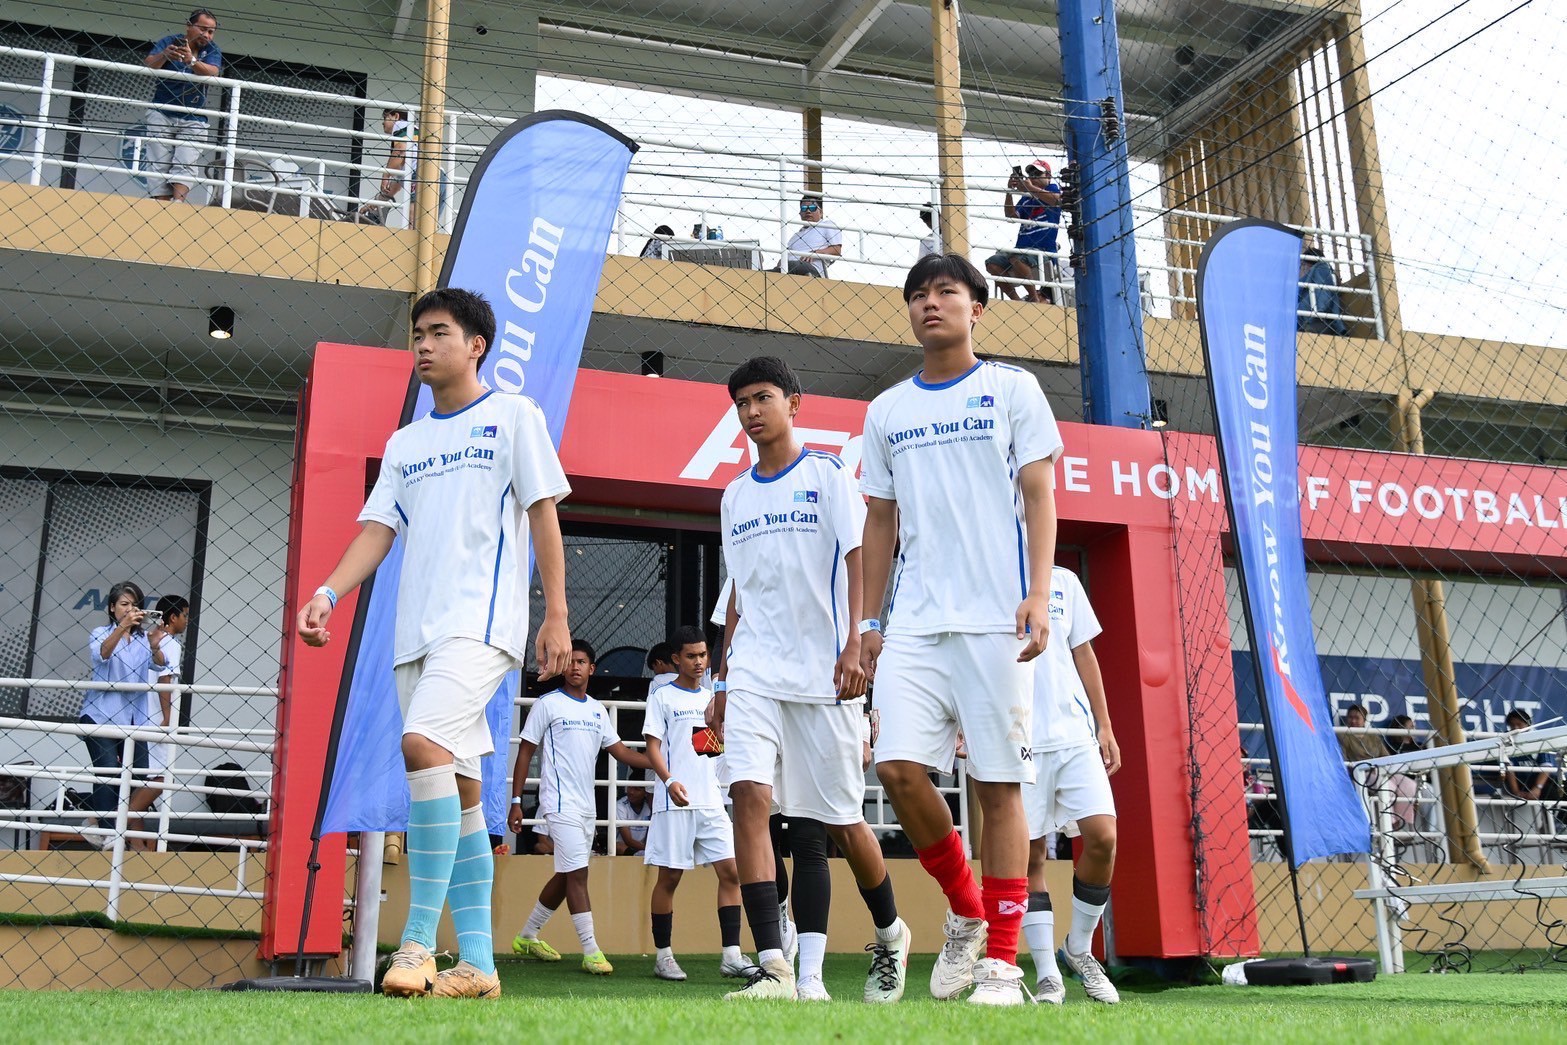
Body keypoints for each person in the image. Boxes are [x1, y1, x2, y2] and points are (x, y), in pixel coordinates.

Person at [296, 286, 572, 1001]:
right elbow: (377, 530)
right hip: (414, 636)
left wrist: (556, 614)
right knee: (463, 788)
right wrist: (327, 592)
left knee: (420, 744)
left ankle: (417, 943)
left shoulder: (514, 415)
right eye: (416, 334)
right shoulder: (406, 442)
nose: (422, 344)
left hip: (481, 627)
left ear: (476, 345)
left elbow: (543, 512)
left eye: (438, 332)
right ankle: (478, 964)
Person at [860, 252, 1063, 1006]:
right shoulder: (886, 410)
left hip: (994, 620)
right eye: (917, 295)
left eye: (945, 291)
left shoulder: (1012, 388)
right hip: (913, 623)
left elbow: (1038, 495)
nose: (930, 303)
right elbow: (879, 520)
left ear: (976, 307)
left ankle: (1003, 967)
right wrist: (868, 620)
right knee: (895, 769)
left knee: (997, 786)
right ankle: (967, 910)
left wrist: (1037, 594)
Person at [710, 355, 912, 1004]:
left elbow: (859, 555)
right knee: (748, 795)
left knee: (838, 824)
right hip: (754, 673)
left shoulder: (826, 475)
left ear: (793, 403)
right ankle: (777, 967)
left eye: (762, 398)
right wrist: (722, 678)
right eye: (741, 403)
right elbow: (737, 590)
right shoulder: (734, 495)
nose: (751, 412)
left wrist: (856, 640)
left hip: (825, 675)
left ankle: (891, 930)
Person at [508, 640, 650, 974]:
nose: (575, 667)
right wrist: (516, 801)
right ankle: (591, 951)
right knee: (578, 874)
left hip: (586, 808)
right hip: (558, 805)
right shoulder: (547, 704)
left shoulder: (597, 710)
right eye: (571, 661)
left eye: (582, 662)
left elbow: (620, 752)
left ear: (591, 668)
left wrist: (660, 765)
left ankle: (526, 936)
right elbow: (525, 753)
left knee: (567, 873)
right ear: (563, 666)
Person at [1019, 567, 1120, 1005]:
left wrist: (1104, 724)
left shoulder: (1065, 581)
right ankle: (1047, 975)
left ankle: (1078, 949)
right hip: (1018, 737)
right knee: (1030, 856)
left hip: (1075, 736)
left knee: (1103, 837)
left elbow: (1084, 653)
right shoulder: (991, 569)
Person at [643, 625, 750, 982]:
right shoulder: (662, 697)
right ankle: (663, 956)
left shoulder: (710, 699)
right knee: (670, 878)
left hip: (711, 803)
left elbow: (707, 750)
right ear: (676, 659)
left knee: (732, 872)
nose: (699, 661)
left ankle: (731, 956)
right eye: (691, 656)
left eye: (703, 654)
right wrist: (670, 781)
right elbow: (652, 748)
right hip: (675, 802)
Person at [84, 581, 165, 846]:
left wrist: (155, 645)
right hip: (101, 714)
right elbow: (102, 654)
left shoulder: (142, 639)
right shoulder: (101, 633)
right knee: (108, 770)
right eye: (124, 604)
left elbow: (160, 665)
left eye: (135, 605)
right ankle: (108, 831)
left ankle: (95, 820)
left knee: (139, 774)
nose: (130, 609)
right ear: (112, 608)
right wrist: (122, 627)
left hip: (134, 719)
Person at [127, 594, 191, 850]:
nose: (187, 620)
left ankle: (136, 843)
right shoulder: (170, 643)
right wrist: (167, 716)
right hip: (157, 720)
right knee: (162, 778)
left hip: (141, 718)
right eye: (185, 615)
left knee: (145, 780)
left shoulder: (147, 638)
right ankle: (114, 821)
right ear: (173, 617)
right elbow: (165, 680)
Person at [141, 10, 222, 203]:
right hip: (162, 111)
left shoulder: (212, 49)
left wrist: (192, 61)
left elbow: (213, 72)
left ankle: (177, 206)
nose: (207, 35)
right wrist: (165, 55)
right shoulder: (170, 41)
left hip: (193, 115)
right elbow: (150, 64)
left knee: (186, 161)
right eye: (203, 29)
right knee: (158, 162)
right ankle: (160, 206)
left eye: (211, 32)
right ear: (189, 26)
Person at [985, 162, 1061, 303]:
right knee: (992, 263)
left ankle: (1034, 298)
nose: (1033, 177)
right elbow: (1011, 216)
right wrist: (1009, 191)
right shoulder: (1026, 197)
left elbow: (1056, 200)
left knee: (1017, 258)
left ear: (1048, 176)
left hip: (1043, 249)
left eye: (1037, 174)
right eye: (1031, 174)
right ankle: (1016, 300)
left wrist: (1030, 188)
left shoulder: (1051, 188)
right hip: (1022, 249)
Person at [1501, 708, 1562, 803]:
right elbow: (1509, 769)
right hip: (1521, 782)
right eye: (1512, 725)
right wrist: (1516, 792)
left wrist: (1537, 788)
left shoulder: (1539, 739)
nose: (1516, 728)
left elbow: (1546, 767)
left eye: (1519, 724)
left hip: (1541, 783)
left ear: (1528, 724)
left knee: (1553, 791)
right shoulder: (1506, 741)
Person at [370, 107, 416, 229]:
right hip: (439, 178)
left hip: (419, 174)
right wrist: (372, 205)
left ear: (396, 116)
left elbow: (400, 149)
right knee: (426, 224)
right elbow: (393, 187)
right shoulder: (412, 131)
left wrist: (386, 176)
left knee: (413, 218)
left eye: (385, 118)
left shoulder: (401, 126)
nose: (383, 123)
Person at [784, 194, 842, 277]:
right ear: (800, 213)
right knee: (769, 273)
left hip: (811, 268)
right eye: (804, 208)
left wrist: (815, 253)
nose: (808, 211)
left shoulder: (826, 225)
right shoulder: (795, 236)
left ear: (821, 212)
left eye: (812, 208)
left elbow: (836, 250)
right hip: (789, 268)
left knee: (790, 266)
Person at [1298, 246, 1348, 335]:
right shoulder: (1324, 275)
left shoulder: (1321, 270)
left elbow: (1322, 300)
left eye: (1302, 265)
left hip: (1319, 322)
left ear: (1307, 265)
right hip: (1317, 321)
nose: (1301, 269)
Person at [616, 779, 653, 856]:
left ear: (645, 792)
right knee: (619, 846)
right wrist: (648, 849)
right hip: (627, 847)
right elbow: (628, 840)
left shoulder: (649, 805)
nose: (631, 792)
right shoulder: (620, 805)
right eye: (630, 787)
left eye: (637, 789)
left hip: (643, 846)